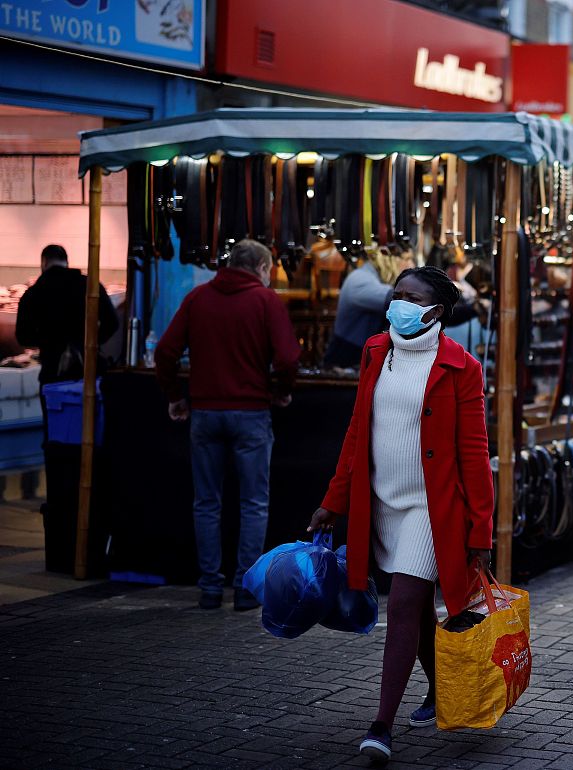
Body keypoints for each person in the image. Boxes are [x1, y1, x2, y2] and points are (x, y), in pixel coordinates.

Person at [307, 266, 493, 763]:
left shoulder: (462, 367)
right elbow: (356, 433)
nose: (399, 304)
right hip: (381, 501)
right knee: (413, 611)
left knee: (403, 604)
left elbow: (474, 453)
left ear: (435, 311)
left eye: (411, 298)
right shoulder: (374, 351)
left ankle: (381, 725)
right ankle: (439, 688)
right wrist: (334, 499)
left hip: (430, 511)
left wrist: (481, 529)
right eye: (397, 294)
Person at [155, 240, 301, 611]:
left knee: (206, 502)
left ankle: (209, 588)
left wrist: (176, 395)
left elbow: (166, 352)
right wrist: (281, 391)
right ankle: (245, 588)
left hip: (204, 413)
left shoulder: (198, 298)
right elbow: (287, 357)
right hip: (251, 413)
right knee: (253, 503)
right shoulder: (266, 301)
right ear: (262, 268)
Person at [15, 244, 119, 430]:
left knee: (55, 432)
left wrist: (47, 341)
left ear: (43, 263)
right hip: (88, 371)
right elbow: (113, 323)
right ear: (67, 262)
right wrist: (90, 343)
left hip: (53, 373)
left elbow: (23, 336)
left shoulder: (33, 294)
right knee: (90, 430)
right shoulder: (89, 285)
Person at [323, 254, 396, 368]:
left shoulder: (369, 276)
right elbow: (393, 299)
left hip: (355, 355)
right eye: (405, 259)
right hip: (345, 360)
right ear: (385, 260)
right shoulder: (360, 278)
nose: (409, 264)